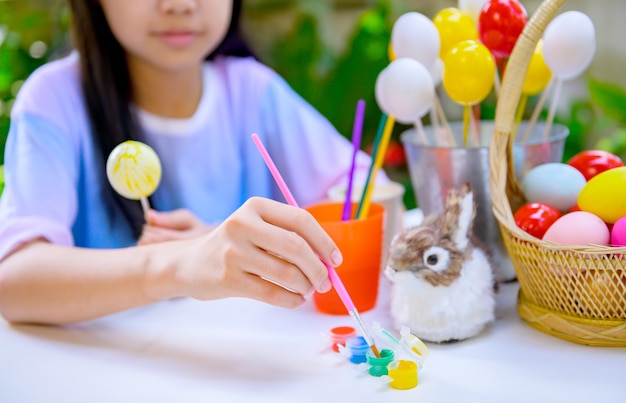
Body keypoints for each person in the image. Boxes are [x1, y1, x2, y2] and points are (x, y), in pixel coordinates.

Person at [0, 0, 381, 325]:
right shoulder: (54, 101)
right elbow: (15, 280)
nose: (179, 5)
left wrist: (224, 242)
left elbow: (370, 196)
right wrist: (178, 264)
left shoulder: (254, 92)